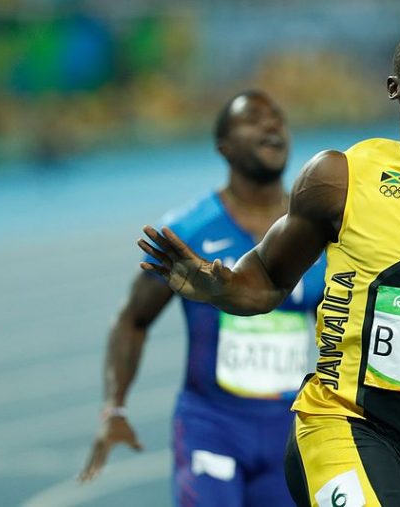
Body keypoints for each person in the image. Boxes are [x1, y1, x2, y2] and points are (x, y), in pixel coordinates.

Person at [138, 21, 400, 507]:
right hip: (336, 425)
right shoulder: (339, 177)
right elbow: (265, 281)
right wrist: (216, 286)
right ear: (394, 86)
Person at [79, 90, 326, 507]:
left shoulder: (319, 232)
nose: (271, 125)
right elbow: (132, 319)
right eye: (254, 119)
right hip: (213, 426)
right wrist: (114, 408)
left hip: (294, 430)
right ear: (224, 147)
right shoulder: (188, 232)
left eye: (278, 118)